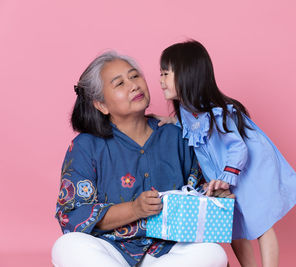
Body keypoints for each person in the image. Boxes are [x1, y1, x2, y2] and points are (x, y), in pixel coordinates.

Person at [52, 51, 232, 267]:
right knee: (67, 245)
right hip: (110, 249)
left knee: (213, 253)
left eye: (135, 76)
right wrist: (135, 209)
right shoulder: (86, 145)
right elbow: (71, 215)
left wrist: (217, 196)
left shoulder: (178, 135)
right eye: (119, 83)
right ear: (101, 105)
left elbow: (197, 192)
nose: (134, 85)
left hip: (169, 250)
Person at [158, 40, 296, 267]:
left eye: (165, 74)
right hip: (223, 172)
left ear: (186, 75)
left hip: (247, 168)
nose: (160, 81)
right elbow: (192, 127)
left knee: (261, 223)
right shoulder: (187, 111)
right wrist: (170, 121)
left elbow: (238, 148)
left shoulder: (218, 112)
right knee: (232, 225)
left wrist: (228, 177)